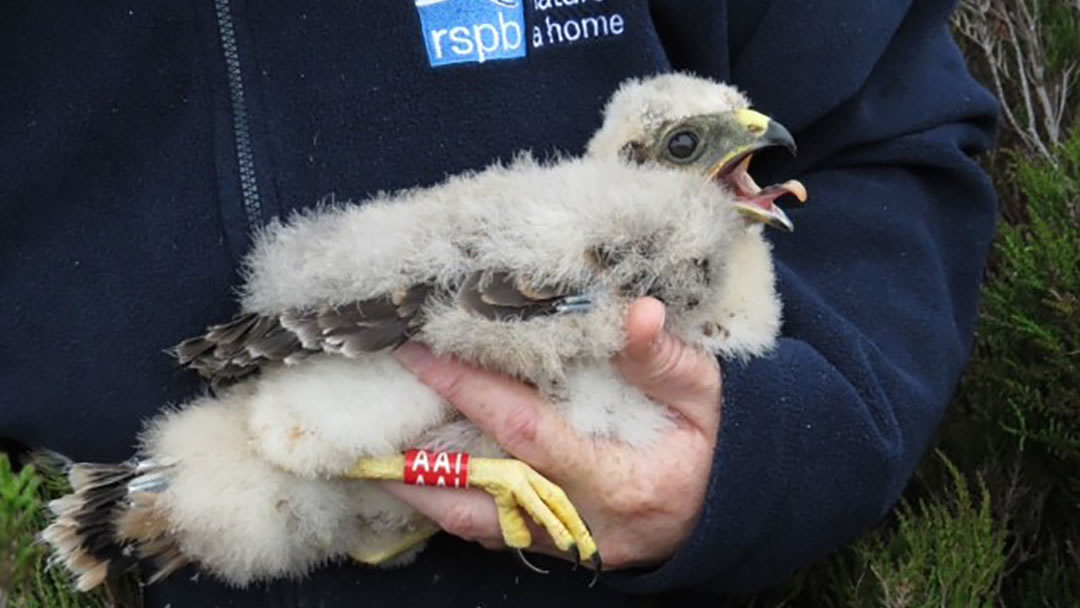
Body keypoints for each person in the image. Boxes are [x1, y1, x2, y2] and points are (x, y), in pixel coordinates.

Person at [0, 0, 998, 605]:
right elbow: (310, 423)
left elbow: (885, 140)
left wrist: (765, 455)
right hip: (142, 526)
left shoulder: (652, 221)